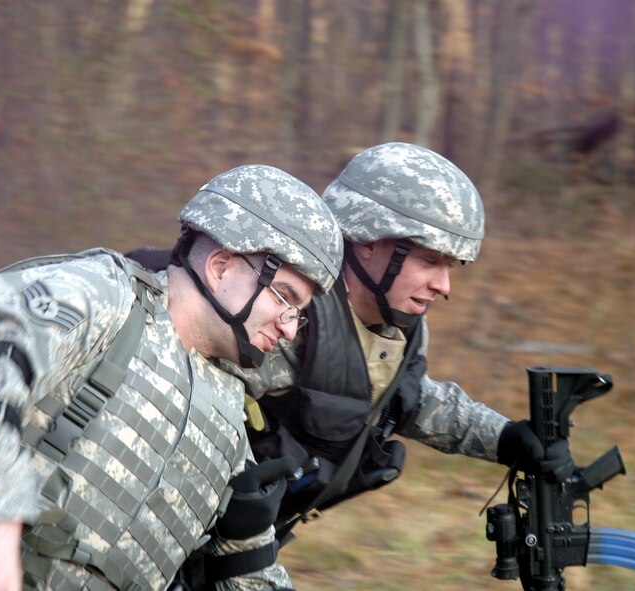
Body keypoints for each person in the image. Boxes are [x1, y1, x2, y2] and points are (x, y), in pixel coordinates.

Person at [0, 164, 343, 591]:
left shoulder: (227, 418)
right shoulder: (105, 298)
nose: (288, 327)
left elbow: (248, 570)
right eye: (284, 296)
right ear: (221, 266)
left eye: (299, 313)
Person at [226, 143, 574, 550]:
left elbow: (405, 396)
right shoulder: (286, 315)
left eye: (450, 266)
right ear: (368, 240)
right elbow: (196, 422)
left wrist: (506, 438)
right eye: (430, 261)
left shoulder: (401, 325)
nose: (444, 286)